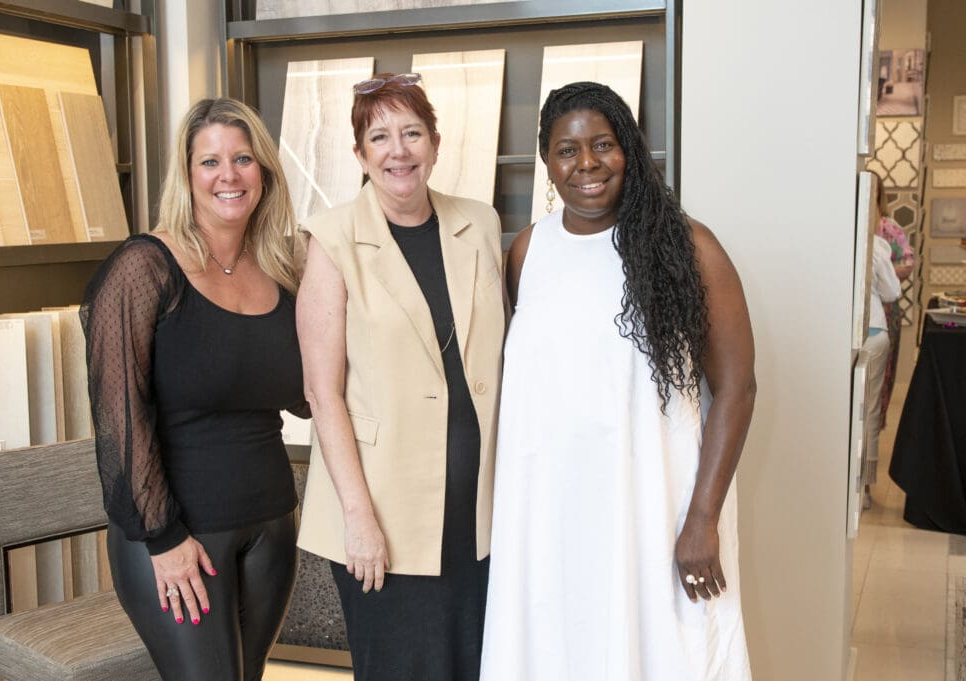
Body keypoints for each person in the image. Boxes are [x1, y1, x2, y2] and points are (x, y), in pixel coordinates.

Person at [479, 81, 755, 680]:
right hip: (549, 517)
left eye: (602, 144)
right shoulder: (528, 252)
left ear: (629, 148)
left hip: (654, 505)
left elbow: (738, 388)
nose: (586, 164)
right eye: (566, 150)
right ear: (547, 163)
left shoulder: (689, 247)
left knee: (661, 655)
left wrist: (702, 518)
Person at [82, 98, 306, 681]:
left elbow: (308, 393)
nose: (228, 175)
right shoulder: (144, 267)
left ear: (265, 172)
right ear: (186, 176)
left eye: (242, 159)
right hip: (180, 532)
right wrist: (163, 538)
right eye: (209, 162)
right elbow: (118, 420)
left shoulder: (285, 265)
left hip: (271, 522)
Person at [295, 72, 505, 681]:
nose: (399, 150)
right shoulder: (332, 239)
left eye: (412, 133)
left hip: (479, 512)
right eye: (380, 136)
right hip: (383, 516)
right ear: (359, 154)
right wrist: (359, 518)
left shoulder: (481, 224)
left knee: (479, 664)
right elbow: (321, 392)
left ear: (436, 144)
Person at [861, 176, 903, 509]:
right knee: (869, 412)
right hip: (875, 335)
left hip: (851, 341)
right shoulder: (877, 246)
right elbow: (892, 292)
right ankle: (862, 488)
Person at [867, 171, 915, 431]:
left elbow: (908, 263)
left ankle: (877, 423)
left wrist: (875, 273)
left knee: (881, 376)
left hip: (885, 312)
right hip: (875, 311)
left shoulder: (889, 229)